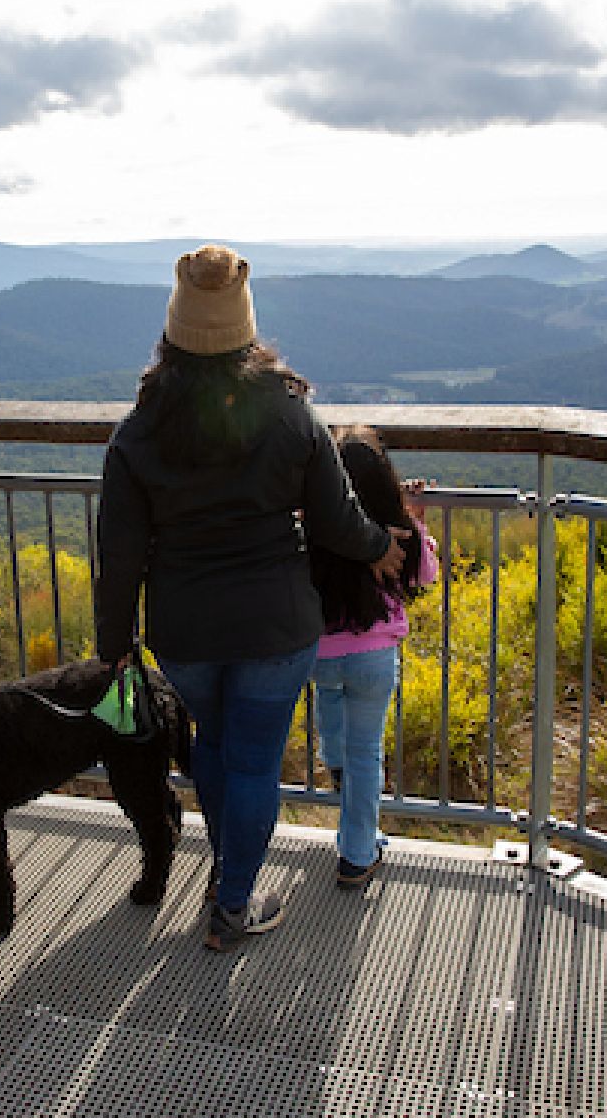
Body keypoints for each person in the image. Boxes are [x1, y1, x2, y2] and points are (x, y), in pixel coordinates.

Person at [94, 244, 406, 951]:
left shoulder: (137, 432)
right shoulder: (292, 413)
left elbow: (120, 559)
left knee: (213, 740)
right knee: (257, 760)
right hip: (275, 626)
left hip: (185, 631)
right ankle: (233, 902)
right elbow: (337, 519)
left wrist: (114, 648)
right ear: (246, 325)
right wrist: (379, 547)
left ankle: (224, 872)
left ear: (173, 330)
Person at [308, 426, 438, 889]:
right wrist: (414, 519)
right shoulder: (397, 534)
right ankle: (358, 853)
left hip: (318, 655)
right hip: (374, 657)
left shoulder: (315, 530)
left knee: (331, 704)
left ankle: (334, 761)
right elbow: (425, 576)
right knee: (368, 751)